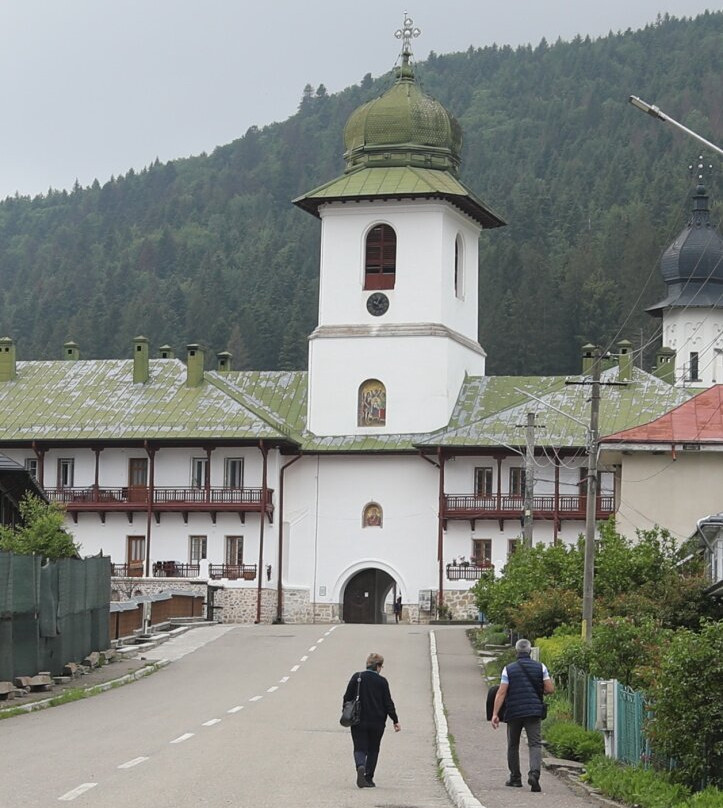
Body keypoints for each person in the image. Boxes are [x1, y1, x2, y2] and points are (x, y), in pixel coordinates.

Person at [491, 638, 554, 792]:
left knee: (513, 744)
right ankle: (534, 774)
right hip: (533, 711)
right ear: (530, 651)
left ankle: (515, 778)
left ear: (517, 651)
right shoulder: (541, 667)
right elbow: (550, 688)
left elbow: (501, 692)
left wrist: (495, 714)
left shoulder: (508, 669)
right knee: (535, 744)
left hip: (514, 711)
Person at [342, 652, 401, 788]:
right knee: (374, 748)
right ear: (378, 666)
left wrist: (345, 713)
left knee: (359, 747)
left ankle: (360, 766)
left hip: (358, 720)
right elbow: (388, 703)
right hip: (377, 722)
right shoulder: (382, 682)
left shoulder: (357, 677)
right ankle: (368, 778)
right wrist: (395, 720)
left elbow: (347, 698)